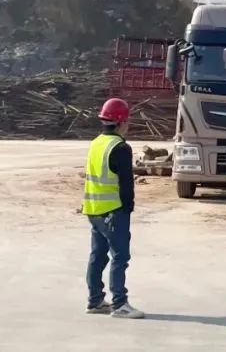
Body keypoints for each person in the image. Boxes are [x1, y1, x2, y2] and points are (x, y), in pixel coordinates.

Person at [83, 97, 144, 318]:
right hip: (113, 210)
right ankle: (120, 304)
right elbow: (126, 184)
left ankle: (95, 301)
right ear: (121, 122)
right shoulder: (120, 147)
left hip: (93, 209)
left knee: (98, 256)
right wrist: (128, 209)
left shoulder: (96, 143)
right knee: (120, 256)